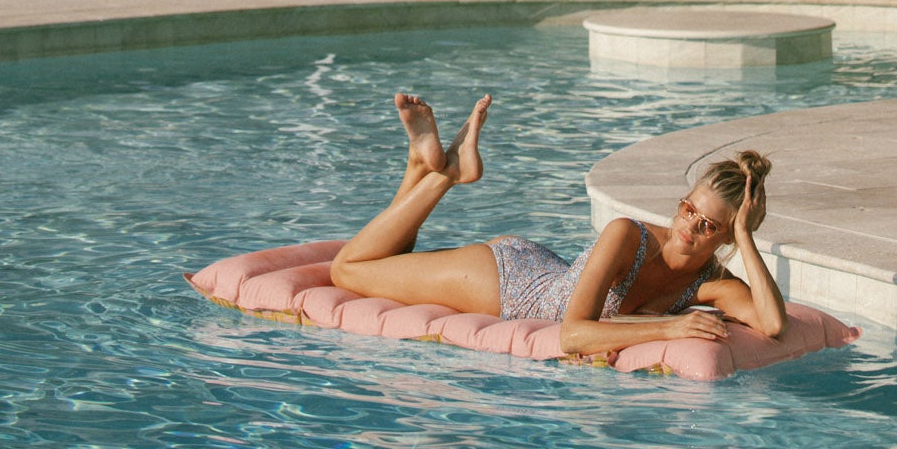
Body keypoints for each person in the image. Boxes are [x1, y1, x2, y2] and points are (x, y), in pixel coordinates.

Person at [328, 93, 853, 358]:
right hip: (509, 284)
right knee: (348, 271)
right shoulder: (628, 233)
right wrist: (670, 326)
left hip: (536, 275)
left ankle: (421, 166)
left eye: (709, 226)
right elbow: (572, 333)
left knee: (382, 265)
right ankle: (446, 175)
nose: (688, 227)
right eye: (687, 209)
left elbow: (773, 324)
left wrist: (746, 236)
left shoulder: (712, 283)